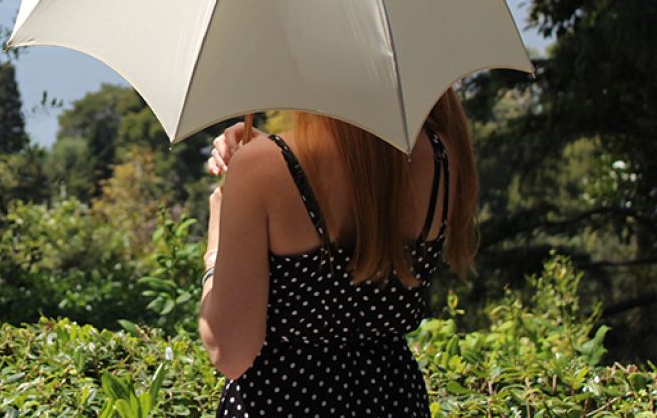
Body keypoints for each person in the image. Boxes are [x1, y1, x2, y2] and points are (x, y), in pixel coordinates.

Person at [199, 89, 476, 417]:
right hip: (394, 400)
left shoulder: (261, 167)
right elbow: (360, 178)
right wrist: (269, 155)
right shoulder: (444, 155)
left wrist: (215, 248)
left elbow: (229, 352)